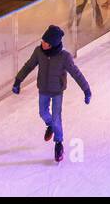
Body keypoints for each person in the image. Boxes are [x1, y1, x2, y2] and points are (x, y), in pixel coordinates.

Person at [12, 24, 92, 164]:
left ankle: (58, 143)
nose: (42, 43)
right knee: (43, 113)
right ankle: (50, 125)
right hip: (43, 89)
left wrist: (86, 90)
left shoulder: (64, 57)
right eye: (42, 41)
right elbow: (29, 65)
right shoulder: (39, 52)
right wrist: (18, 80)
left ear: (53, 44)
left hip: (57, 92)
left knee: (56, 118)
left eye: (46, 42)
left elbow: (76, 73)